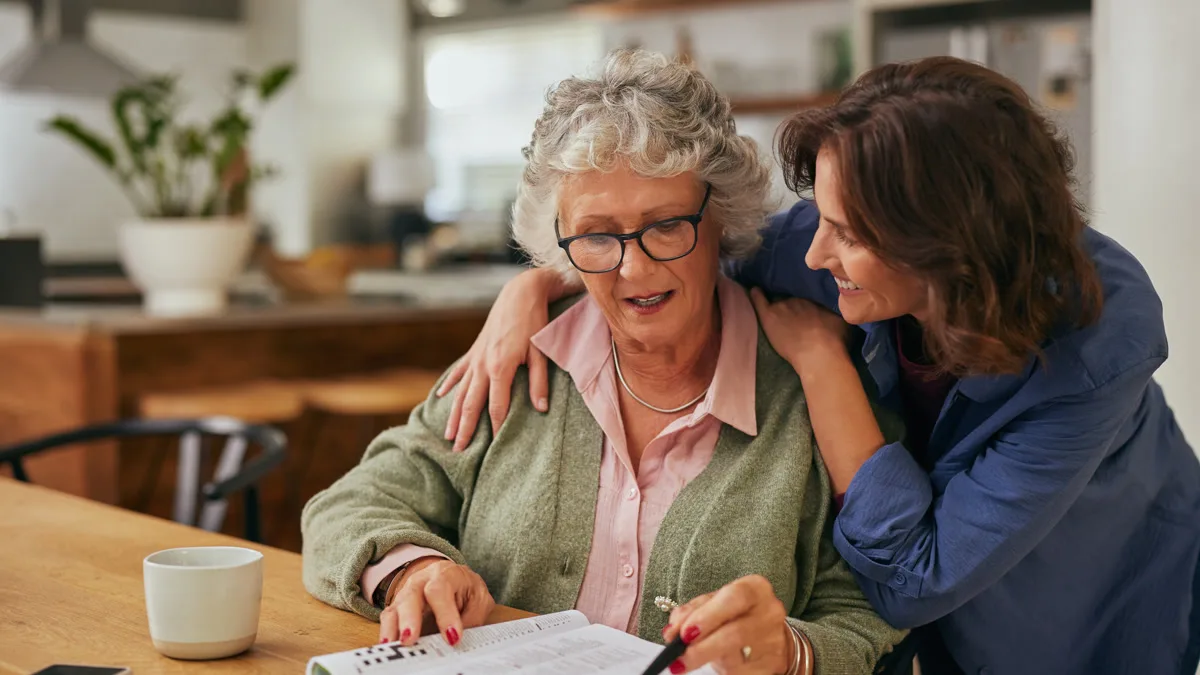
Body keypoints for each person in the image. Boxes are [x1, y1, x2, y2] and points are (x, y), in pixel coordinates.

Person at [435, 56, 1200, 675]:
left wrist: (818, 360)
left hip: (1083, 594)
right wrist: (535, 285)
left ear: (946, 250)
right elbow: (676, 248)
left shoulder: (1098, 346)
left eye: (846, 233)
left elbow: (914, 578)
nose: (812, 252)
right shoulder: (830, 244)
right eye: (820, 216)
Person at [302, 49, 906, 675]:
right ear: (557, 242)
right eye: (596, 236)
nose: (634, 269)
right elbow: (346, 506)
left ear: (720, 215)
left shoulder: (818, 392)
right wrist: (414, 569)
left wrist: (791, 652)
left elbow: (870, 613)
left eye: (666, 225)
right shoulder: (513, 365)